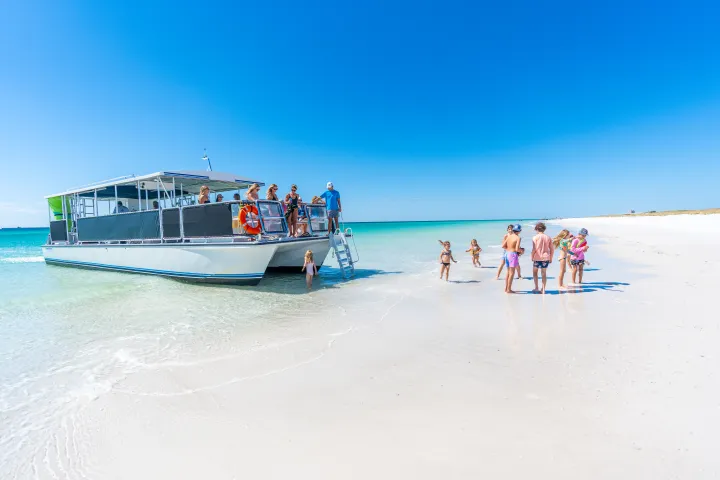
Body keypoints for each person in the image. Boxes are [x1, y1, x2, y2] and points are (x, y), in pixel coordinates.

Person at [531, 222, 554, 294]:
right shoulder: (548, 237)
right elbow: (552, 249)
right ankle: (543, 289)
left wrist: (532, 256)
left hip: (537, 258)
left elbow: (534, 249)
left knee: (535, 272)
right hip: (546, 257)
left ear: (537, 229)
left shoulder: (535, 237)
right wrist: (551, 258)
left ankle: (536, 287)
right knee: (544, 273)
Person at [501, 224, 523, 293]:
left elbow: (503, 246)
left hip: (507, 253)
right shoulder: (518, 238)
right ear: (519, 231)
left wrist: (509, 249)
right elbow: (517, 249)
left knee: (508, 272)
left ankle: (506, 288)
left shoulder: (509, 236)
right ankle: (509, 289)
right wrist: (522, 250)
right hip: (512, 255)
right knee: (512, 273)